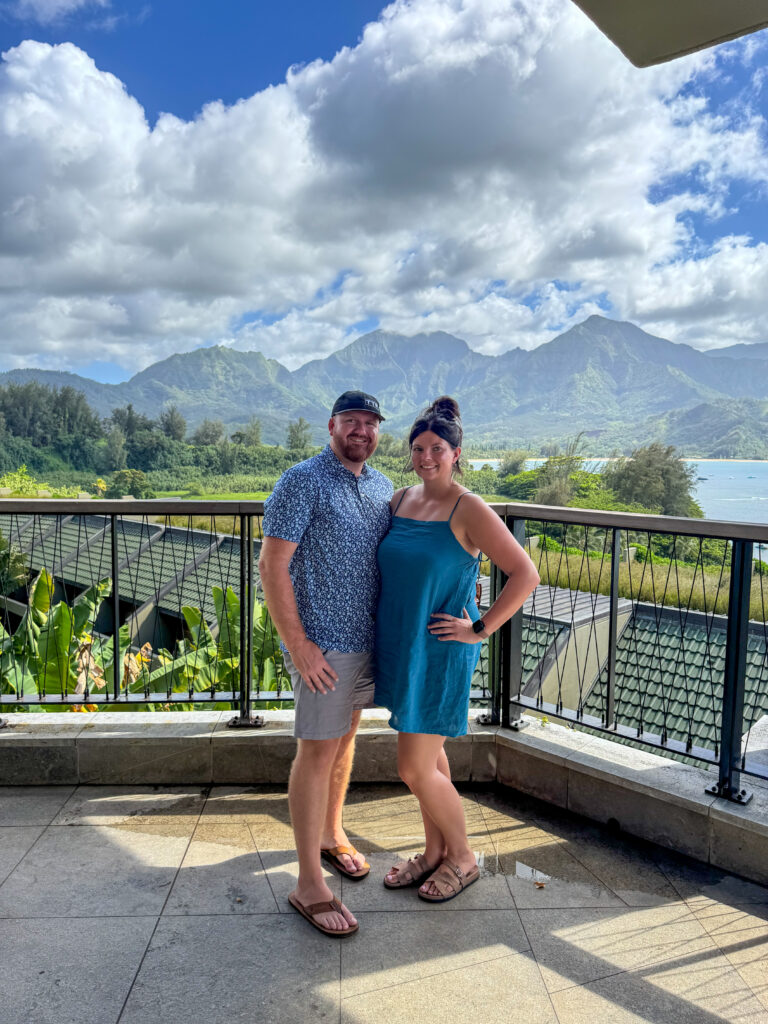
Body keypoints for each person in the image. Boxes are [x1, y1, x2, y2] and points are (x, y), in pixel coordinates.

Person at [375, 396, 540, 902]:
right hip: (405, 647)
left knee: (413, 767)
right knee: (432, 759)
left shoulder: (468, 508)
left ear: (456, 453)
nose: (427, 456)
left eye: (437, 449)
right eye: (419, 448)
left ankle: (463, 858)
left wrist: (480, 627)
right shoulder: (401, 500)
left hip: (443, 651)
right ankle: (432, 853)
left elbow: (525, 574)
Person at [259, 390, 392, 937]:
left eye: (371, 423)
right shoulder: (301, 480)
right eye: (352, 421)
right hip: (323, 647)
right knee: (315, 753)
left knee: (345, 740)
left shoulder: (382, 486)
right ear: (332, 425)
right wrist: (299, 645)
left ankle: (331, 834)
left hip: (367, 642)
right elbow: (272, 566)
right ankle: (308, 883)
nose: (361, 430)